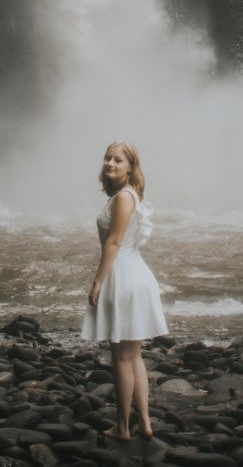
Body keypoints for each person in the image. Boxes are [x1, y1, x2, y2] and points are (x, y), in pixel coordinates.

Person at [81, 141, 168, 441]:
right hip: (134, 274)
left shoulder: (123, 198)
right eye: (107, 158)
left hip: (123, 277)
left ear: (131, 166)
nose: (110, 163)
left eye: (118, 160)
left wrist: (97, 281)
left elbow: (114, 244)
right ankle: (144, 423)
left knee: (121, 357)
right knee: (134, 356)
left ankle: (122, 426)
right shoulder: (127, 195)